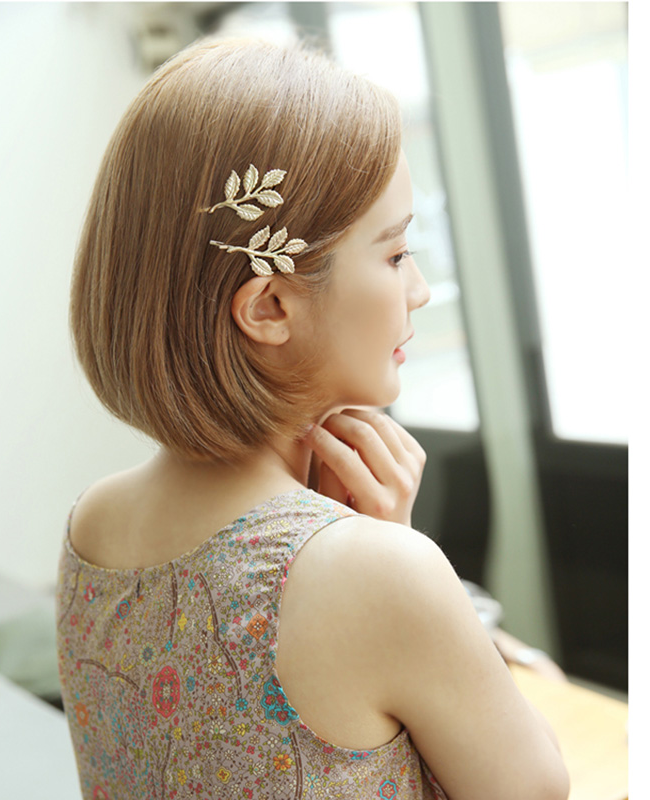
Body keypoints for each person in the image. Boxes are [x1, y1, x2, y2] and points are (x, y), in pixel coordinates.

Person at [56, 36, 569, 800]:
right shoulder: (374, 573)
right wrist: (389, 553)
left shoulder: (93, 524)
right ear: (269, 306)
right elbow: (535, 790)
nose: (420, 289)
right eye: (395, 255)